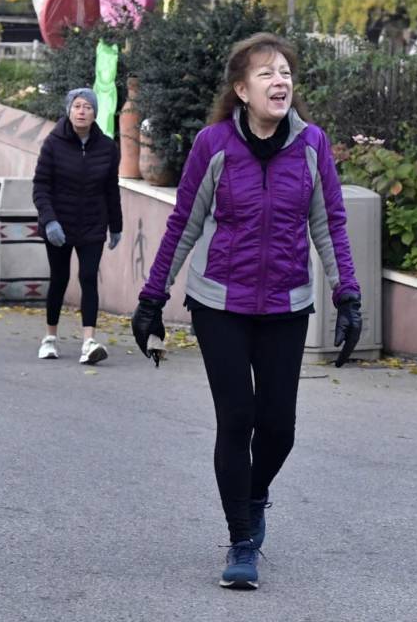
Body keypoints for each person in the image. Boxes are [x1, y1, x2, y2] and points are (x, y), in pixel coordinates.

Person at [131, 33, 362, 590]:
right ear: (241, 89)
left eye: (284, 72)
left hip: (286, 303)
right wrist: (151, 298)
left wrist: (347, 295)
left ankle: (254, 495)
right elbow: (184, 223)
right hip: (220, 302)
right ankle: (241, 540)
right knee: (237, 418)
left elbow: (328, 223)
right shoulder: (213, 145)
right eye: (266, 73)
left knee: (278, 427)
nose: (279, 81)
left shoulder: (311, 146)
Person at [32, 88, 122, 364]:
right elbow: (41, 187)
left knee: (88, 278)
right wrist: (49, 221)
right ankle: (50, 338)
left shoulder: (107, 147)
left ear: (95, 113)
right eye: (77, 106)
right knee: (59, 279)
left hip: (93, 224)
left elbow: (111, 189)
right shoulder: (53, 143)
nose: (82, 112)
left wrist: (116, 226)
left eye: (88, 107)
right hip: (59, 225)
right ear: (69, 110)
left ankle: (88, 341)